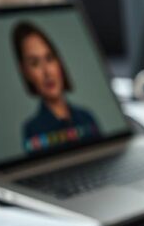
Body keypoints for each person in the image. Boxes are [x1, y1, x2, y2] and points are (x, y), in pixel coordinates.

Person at [12, 21, 101, 153]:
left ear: (58, 62)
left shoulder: (87, 117)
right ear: (25, 72)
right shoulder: (33, 130)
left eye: (49, 58)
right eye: (35, 63)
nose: (47, 72)